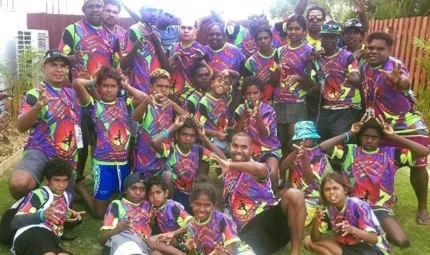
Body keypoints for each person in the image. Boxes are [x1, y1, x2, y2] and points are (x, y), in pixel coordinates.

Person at [319, 115, 430, 247]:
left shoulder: (391, 154)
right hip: (352, 206)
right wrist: (350, 133)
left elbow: (424, 151)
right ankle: (346, 221)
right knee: (347, 237)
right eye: (365, 136)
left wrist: (394, 137)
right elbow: (323, 146)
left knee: (402, 241)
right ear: (360, 137)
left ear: (381, 139)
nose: (369, 140)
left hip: (379, 208)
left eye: (374, 137)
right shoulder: (350, 151)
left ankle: (369, 226)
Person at [362, 31, 430, 225]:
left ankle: (423, 208)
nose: (374, 51)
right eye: (371, 47)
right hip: (381, 125)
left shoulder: (395, 66)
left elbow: (405, 82)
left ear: (389, 50)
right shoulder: (364, 64)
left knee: (418, 165)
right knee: (379, 163)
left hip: (407, 123)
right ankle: (385, 200)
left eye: (380, 49)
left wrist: (398, 81)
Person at [72, 66, 148, 219]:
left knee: (120, 201)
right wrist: (92, 80)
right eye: (105, 86)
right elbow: (76, 84)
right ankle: (81, 188)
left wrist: (126, 85)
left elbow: (144, 97)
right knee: (100, 215)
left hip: (122, 164)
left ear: (118, 87)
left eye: (113, 86)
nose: (109, 90)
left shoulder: (125, 104)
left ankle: (104, 193)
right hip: (103, 164)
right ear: (99, 87)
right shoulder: (94, 106)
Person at [213, 132, 306, 255]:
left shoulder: (256, 167)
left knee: (295, 194)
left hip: (269, 222)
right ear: (230, 146)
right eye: (235, 146)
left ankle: (295, 253)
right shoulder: (227, 169)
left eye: (244, 147)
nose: (238, 150)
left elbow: (260, 169)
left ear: (252, 149)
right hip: (249, 233)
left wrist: (230, 165)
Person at [59, 0, 119, 186]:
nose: (95, 9)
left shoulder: (112, 35)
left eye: (98, 6)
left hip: (101, 97)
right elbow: (58, 58)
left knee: (99, 139)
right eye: (91, 6)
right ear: (84, 9)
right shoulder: (72, 30)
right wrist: (71, 58)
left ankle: (96, 177)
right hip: (76, 96)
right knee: (79, 140)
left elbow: (115, 65)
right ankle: (75, 178)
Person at [10, 50, 79, 200]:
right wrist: (37, 107)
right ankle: (30, 203)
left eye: (63, 66)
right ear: (43, 67)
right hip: (41, 151)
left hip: (66, 157)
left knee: (63, 214)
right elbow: (21, 127)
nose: (59, 69)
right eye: (54, 65)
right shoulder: (34, 93)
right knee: (19, 184)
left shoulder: (71, 94)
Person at [150, 116, 226, 213]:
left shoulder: (198, 150)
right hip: (174, 193)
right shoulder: (171, 150)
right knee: (167, 175)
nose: (188, 138)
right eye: (184, 134)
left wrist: (204, 137)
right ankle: (168, 210)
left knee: (213, 171)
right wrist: (174, 126)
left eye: (192, 135)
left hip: (192, 194)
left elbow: (223, 159)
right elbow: (154, 142)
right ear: (177, 136)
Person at [11, 158, 85, 255]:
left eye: (65, 180)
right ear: (46, 180)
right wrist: (41, 215)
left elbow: (57, 219)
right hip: (31, 234)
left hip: (51, 239)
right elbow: (15, 222)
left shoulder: (66, 196)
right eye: (57, 180)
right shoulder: (39, 195)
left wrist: (73, 217)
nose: (61, 185)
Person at [304, 172, 391, 255]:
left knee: (311, 243)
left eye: (335, 188)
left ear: (345, 190)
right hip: (348, 246)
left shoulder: (359, 206)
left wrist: (352, 230)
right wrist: (316, 222)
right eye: (327, 189)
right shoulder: (328, 209)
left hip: (371, 249)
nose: (331, 192)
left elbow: (374, 239)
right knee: (308, 240)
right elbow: (315, 239)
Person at [308, 20, 362, 142]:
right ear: (320, 38)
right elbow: (311, 85)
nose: (328, 39)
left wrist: (348, 76)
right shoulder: (317, 59)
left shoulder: (347, 56)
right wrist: (308, 63)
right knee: (319, 141)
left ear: (338, 38)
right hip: (327, 107)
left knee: (340, 144)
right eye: (325, 36)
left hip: (347, 107)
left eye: (332, 37)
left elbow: (356, 78)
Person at [132, 69, 186, 180]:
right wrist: (145, 102)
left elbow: (188, 119)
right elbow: (135, 117)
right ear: (151, 88)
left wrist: (174, 106)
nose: (163, 89)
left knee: (166, 182)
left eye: (167, 87)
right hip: (146, 156)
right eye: (159, 86)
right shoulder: (147, 105)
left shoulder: (171, 107)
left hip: (165, 155)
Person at [275, 15, 314, 162]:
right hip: (279, 100)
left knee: (296, 143)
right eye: (290, 28)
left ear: (304, 31)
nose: (293, 31)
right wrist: (276, 69)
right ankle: (281, 178)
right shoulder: (280, 51)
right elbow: (274, 79)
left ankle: (295, 177)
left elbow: (312, 83)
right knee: (281, 141)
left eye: (297, 28)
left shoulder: (310, 51)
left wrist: (299, 78)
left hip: (297, 101)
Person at [233, 76, 281, 192]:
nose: (252, 97)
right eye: (248, 94)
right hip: (246, 150)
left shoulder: (268, 110)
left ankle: (272, 197)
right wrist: (243, 117)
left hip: (267, 149)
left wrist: (258, 117)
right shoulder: (240, 109)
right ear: (244, 95)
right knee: (241, 176)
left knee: (272, 172)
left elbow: (265, 134)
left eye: (255, 93)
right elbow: (235, 134)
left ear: (261, 94)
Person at [184, 176, 255, 255]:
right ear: (191, 203)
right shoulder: (191, 227)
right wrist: (190, 250)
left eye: (207, 205)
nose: (201, 209)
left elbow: (232, 251)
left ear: (213, 205)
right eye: (197, 204)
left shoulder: (222, 219)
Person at [279, 121, 329, 225]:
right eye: (300, 139)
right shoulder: (296, 152)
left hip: (311, 196)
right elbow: (282, 168)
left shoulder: (319, 155)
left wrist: (305, 158)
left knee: (298, 220)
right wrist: (295, 152)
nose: (303, 142)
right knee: (278, 212)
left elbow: (310, 180)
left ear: (314, 139)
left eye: (307, 138)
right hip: (293, 192)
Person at [99, 172, 152, 255]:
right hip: (122, 243)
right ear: (125, 190)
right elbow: (102, 239)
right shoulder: (117, 205)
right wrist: (119, 228)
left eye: (142, 189)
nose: (138, 192)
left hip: (143, 247)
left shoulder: (149, 205)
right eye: (133, 188)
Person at [120, 6, 169, 93]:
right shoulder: (134, 30)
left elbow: (166, 66)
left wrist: (157, 43)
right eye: (149, 10)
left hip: (156, 87)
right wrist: (135, 48)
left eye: (157, 10)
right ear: (141, 11)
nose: (154, 14)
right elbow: (124, 65)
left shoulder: (156, 32)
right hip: (138, 86)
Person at [146, 176, 192, 255]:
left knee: (151, 241)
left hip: (183, 241)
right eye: (151, 194)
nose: (155, 197)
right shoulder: (152, 209)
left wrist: (173, 233)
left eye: (158, 192)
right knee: (154, 253)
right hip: (169, 244)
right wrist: (152, 220)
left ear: (166, 193)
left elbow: (192, 223)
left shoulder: (173, 207)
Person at [166, 19, 205, 108]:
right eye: (183, 27)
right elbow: (164, 69)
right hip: (170, 95)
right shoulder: (172, 47)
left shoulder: (201, 49)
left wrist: (200, 58)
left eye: (190, 28)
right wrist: (174, 56)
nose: (186, 30)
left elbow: (207, 74)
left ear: (195, 31)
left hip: (192, 97)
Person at [198, 70, 240, 154]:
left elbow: (236, 75)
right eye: (219, 81)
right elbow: (198, 127)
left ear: (228, 88)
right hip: (211, 140)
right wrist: (216, 134)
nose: (222, 84)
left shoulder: (225, 97)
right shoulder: (204, 102)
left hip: (224, 137)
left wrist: (227, 71)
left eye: (226, 83)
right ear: (212, 83)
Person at [243, 26, 279, 103]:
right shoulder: (251, 62)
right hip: (260, 103)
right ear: (255, 41)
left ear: (271, 39)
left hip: (281, 99)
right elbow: (247, 86)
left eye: (266, 38)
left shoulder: (280, 54)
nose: (263, 41)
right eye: (260, 39)